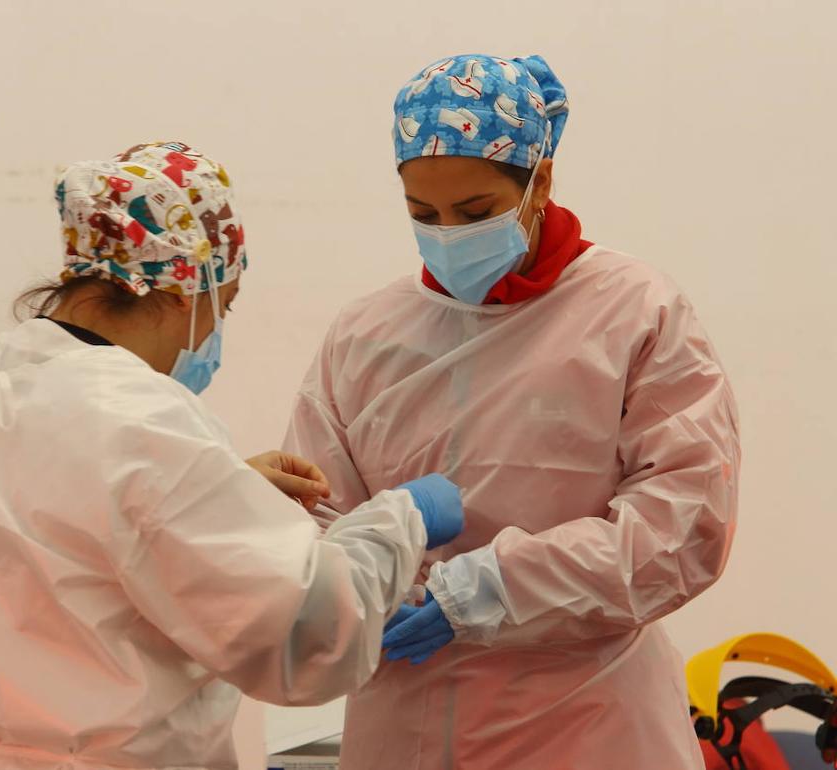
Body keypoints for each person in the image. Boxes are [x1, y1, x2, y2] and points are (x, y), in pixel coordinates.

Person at [0, 141, 465, 770]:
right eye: (223, 305)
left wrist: (222, 489)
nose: (215, 332)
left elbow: (49, 547)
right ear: (186, 289)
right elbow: (300, 633)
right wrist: (400, 521)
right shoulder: (138, 416)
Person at [284, 54, 740, 769]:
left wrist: (487, 589)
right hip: (405, 722)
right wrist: (357, 585)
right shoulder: (365, 335)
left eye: (475, 213)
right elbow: (314, 516)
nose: (447, 233)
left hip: (589, 725)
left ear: (540, 182)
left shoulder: (632, 313)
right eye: (423, 215)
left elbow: (683, 527)